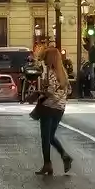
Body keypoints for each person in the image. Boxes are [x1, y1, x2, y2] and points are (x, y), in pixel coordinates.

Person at [34, 46, 72, 176]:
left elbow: (49, 92)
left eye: (45, 58)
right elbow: (69, 90)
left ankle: (47, 164)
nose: (43, 61)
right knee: (50, 136)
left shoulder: (49, 72)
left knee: (45, 137)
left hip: (48, 107)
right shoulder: (63, 73)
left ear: (49, 59)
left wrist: (38, 93)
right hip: (60, 108)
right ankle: (64, 155)